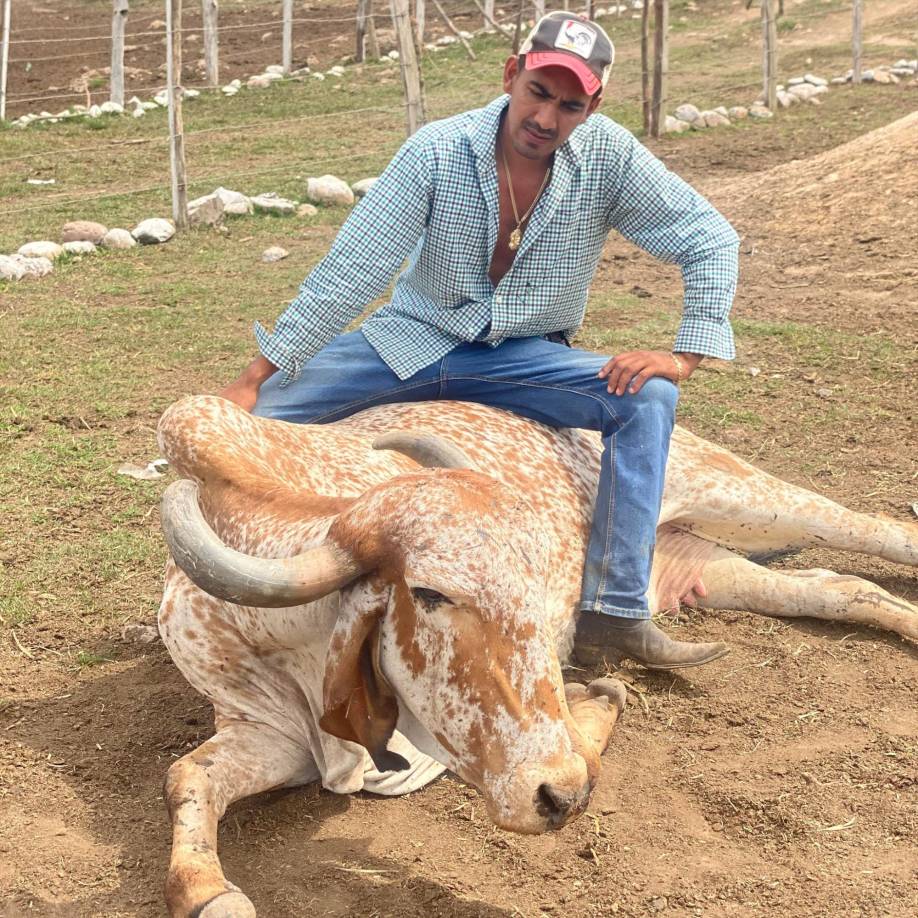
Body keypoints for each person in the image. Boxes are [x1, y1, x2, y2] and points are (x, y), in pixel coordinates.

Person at [220, 12, 739, 670]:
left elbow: (710, 239)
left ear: (593, 106)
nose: (547, 118)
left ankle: (614, 610)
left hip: (525, 355)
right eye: (539, 93)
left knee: (649, 399)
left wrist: (684, 354)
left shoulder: (609, 157)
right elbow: (355, 269)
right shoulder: (437, 149)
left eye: (569, 105)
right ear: (511, 75)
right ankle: (219, 588)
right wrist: (259, 372)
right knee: (244, 422)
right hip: (411, 341)